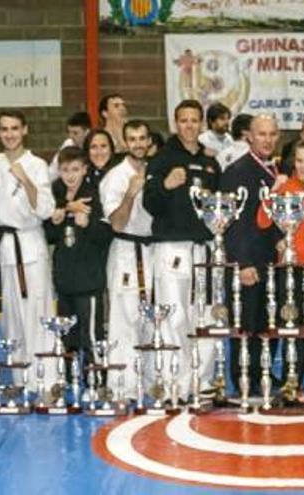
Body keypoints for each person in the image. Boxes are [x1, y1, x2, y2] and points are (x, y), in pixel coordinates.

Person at [143, 100, 221, 400]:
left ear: (201, 124)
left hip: (202, 248)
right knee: (173, 316)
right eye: (184, 120)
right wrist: (165, 184)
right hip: (171, 248)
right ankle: (173, 381)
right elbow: (150, 204)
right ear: (176, 123)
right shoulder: (162, 159)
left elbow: (218, 209)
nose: (189, 125)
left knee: (202, 316)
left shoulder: (211, 163)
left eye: (194, 120)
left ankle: (200, 382)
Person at [0, 111, 55, 385]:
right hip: (2, 248)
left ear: (25, 130)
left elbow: (46, 209)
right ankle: (19, 379)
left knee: (37, 311)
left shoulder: (36, 165)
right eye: (4, 129)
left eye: (14, 128)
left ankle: (45, 378)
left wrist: (26, 180)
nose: (9, 134)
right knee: (10, 317)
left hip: (29, 244)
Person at [256, 139, 304, 395]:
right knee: (292, 324)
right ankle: (292, 380)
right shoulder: (284, 186)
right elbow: (263, 222)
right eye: (299, 160)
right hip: (290, 266)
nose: (303, 166)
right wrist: (273, 191)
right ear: (293, 161)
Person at [221, 114, 282, 393]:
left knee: (268, 322)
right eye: (261, 134)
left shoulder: (277, 170)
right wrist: (242, 263)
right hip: (248, 262)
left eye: (272, 134)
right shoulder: (237, 171)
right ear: (250, 137)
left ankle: (265, 372)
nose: (267, 140)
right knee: (246, 322)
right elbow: (231, 223)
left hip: (273, 260)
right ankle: (245, 376)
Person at [98, 119, 154, 400]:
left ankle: (151, 381)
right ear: (124, 143)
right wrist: (131, 194)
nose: (139, 144)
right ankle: (122, 385)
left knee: (151, 319)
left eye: (143, 138)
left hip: (152, 250)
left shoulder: (156, 172)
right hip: (124, 250)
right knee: (124, 318)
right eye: (133, 139)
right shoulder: (115, 177)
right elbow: (117, 224)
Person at [45, 146, 111, 381]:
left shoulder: (94, 195)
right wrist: (55, 218)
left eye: (75, 169)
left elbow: (106, 235)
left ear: (85, 169)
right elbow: (49, 236)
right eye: (65, 170)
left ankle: (97, 382)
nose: (70, 175)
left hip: (89, 280)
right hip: (64, 279)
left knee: (91, 335)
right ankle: (69, 382)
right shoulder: (55, 195)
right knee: (67, 335)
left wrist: (89, 225)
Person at [48, 111, 92, 181]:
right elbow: (54, 170)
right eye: (69, 132)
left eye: (75, 133)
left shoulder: (95, 146)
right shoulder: (68, 144)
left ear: (87, 132)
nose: (71, 136)